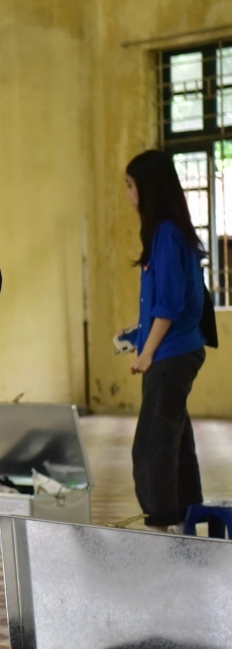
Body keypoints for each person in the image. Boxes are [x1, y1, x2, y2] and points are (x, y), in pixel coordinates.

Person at [124, 150, 208, 532]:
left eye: (130, 185)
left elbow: (170, 305)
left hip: (171, 354)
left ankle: (162, 527)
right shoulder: (173, 231)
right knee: (175, 441)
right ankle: (190, 518)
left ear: (148, 188)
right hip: (178, 349)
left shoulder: (167, 234)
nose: (128, 194)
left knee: (151, 448)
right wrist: (136, 335)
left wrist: (147, 353)